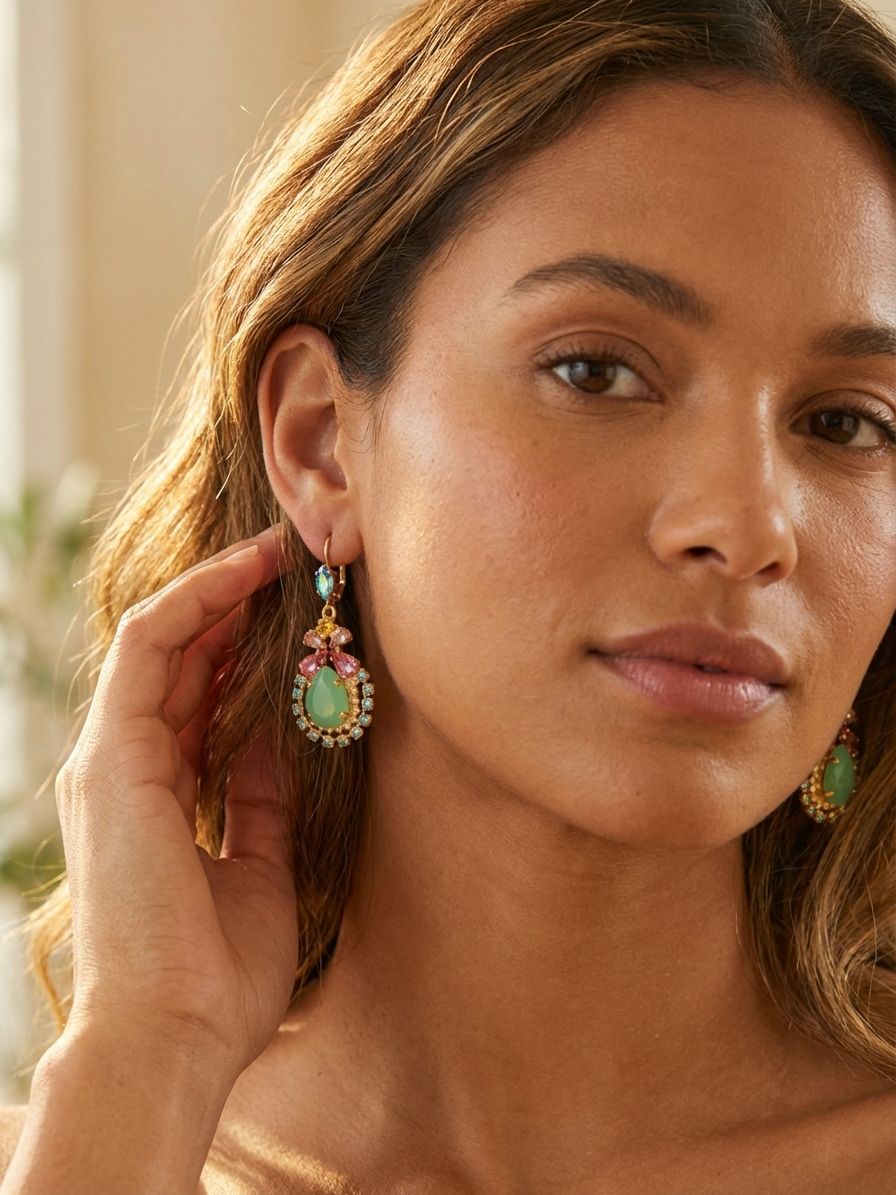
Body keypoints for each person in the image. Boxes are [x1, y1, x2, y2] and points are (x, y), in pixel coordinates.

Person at [1, 0, 895, 1190]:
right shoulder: (89, 1148)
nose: (745, 528)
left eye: (844, 423)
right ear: (321, 442)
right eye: (595, 371)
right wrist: (145, 1058)